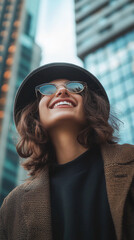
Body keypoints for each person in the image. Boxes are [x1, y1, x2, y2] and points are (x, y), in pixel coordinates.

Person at [0, 62, 134, 240]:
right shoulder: (12, 206)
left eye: (74, 87)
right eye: (47, 89)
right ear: (35, 115)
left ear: (90, 105)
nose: (62, 91)